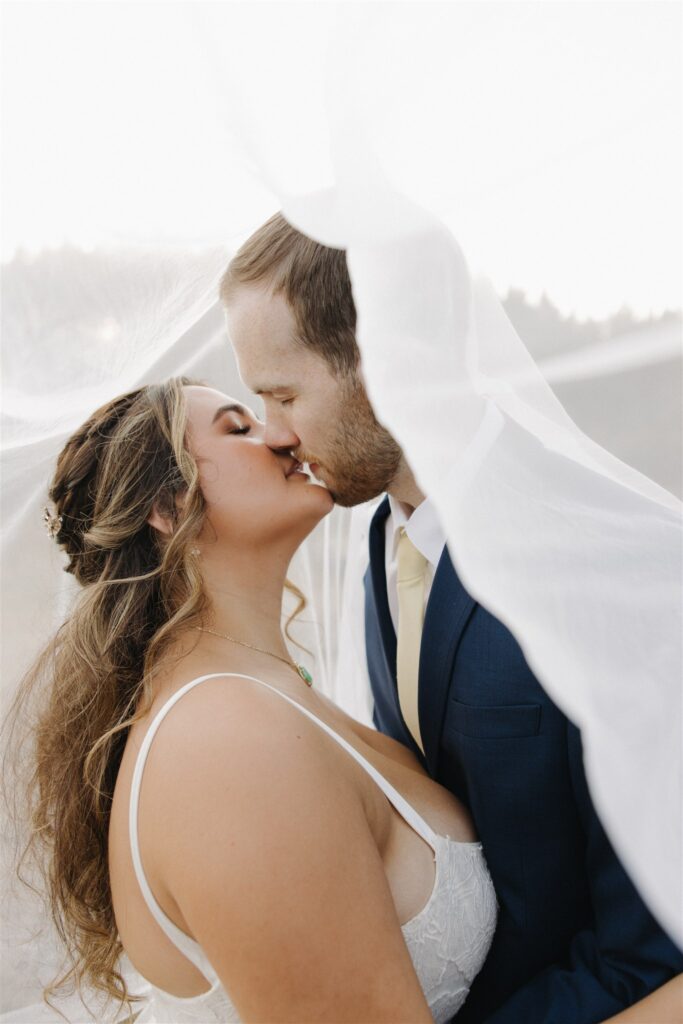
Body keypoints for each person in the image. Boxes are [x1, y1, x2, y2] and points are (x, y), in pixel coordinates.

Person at [222, 213, 683, 1023]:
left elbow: (651, 941)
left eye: (283, 395)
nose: (275, 436)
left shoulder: (608, 562)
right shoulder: (380, 541)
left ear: (391, 361)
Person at [11, 377, 498, 1024]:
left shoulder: (265, 697)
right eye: (239, 428)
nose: (281, 435)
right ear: (167, 507)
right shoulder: (226, 742)